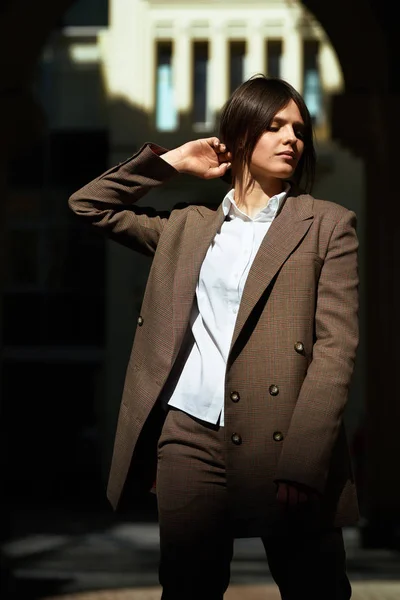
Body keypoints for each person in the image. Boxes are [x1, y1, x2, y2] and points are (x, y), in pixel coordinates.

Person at [68, 74, 359, 600]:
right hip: (188, 439)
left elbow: (335, 352)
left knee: (315, 588)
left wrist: (305, 459)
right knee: (187, 591)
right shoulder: (187, 227)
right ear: (241, 135)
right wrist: (171, 163)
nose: (292, 137)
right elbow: (89, 205)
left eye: (299, 128)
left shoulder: (327, 226)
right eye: (274, 125)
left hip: (285, 442)